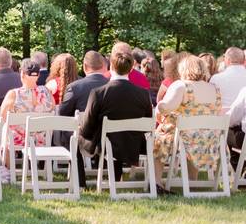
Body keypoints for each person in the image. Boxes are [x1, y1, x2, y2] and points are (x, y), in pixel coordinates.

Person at [77, 51, 153, 186]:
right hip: (135, 144)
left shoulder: (99, 93)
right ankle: (116, 178)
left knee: (76, 139)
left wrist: (81, 131)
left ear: (111, 66)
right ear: (131, 69)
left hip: (108, 144)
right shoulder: (143, 93)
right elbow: (148, 121)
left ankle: (80, 184)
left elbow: (88, 127)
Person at [153, 55, 223, 194]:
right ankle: (193, 181)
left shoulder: (181, 86)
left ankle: (156, 182)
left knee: (160, 138)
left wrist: (160, 106)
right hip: (210, 139)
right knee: (191, 133)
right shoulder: (214, 88)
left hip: (185, 139)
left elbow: (167, 107)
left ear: (183, 69)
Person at [0, 59, 56, 160]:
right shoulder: (47, 92)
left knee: (4, 129)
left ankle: (6, 169)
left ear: (22, 74)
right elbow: (53, 110)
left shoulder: (13, 94)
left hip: (18, 140)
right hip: (41, 140)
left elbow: (3, 117)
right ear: (38, 75)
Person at [58, 51, 108, 117]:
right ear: (103, 65)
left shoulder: (74, 88)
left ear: (85, 66)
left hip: (82, 126)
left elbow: (62, 114)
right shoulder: (113, 86)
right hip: (109, 127)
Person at [209, 47, 246, 111]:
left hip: (223, 118)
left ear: (228, 60)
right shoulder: (217, 78)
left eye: (224, 58)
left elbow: (210, 101)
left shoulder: (216, 78)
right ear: (243, 61)